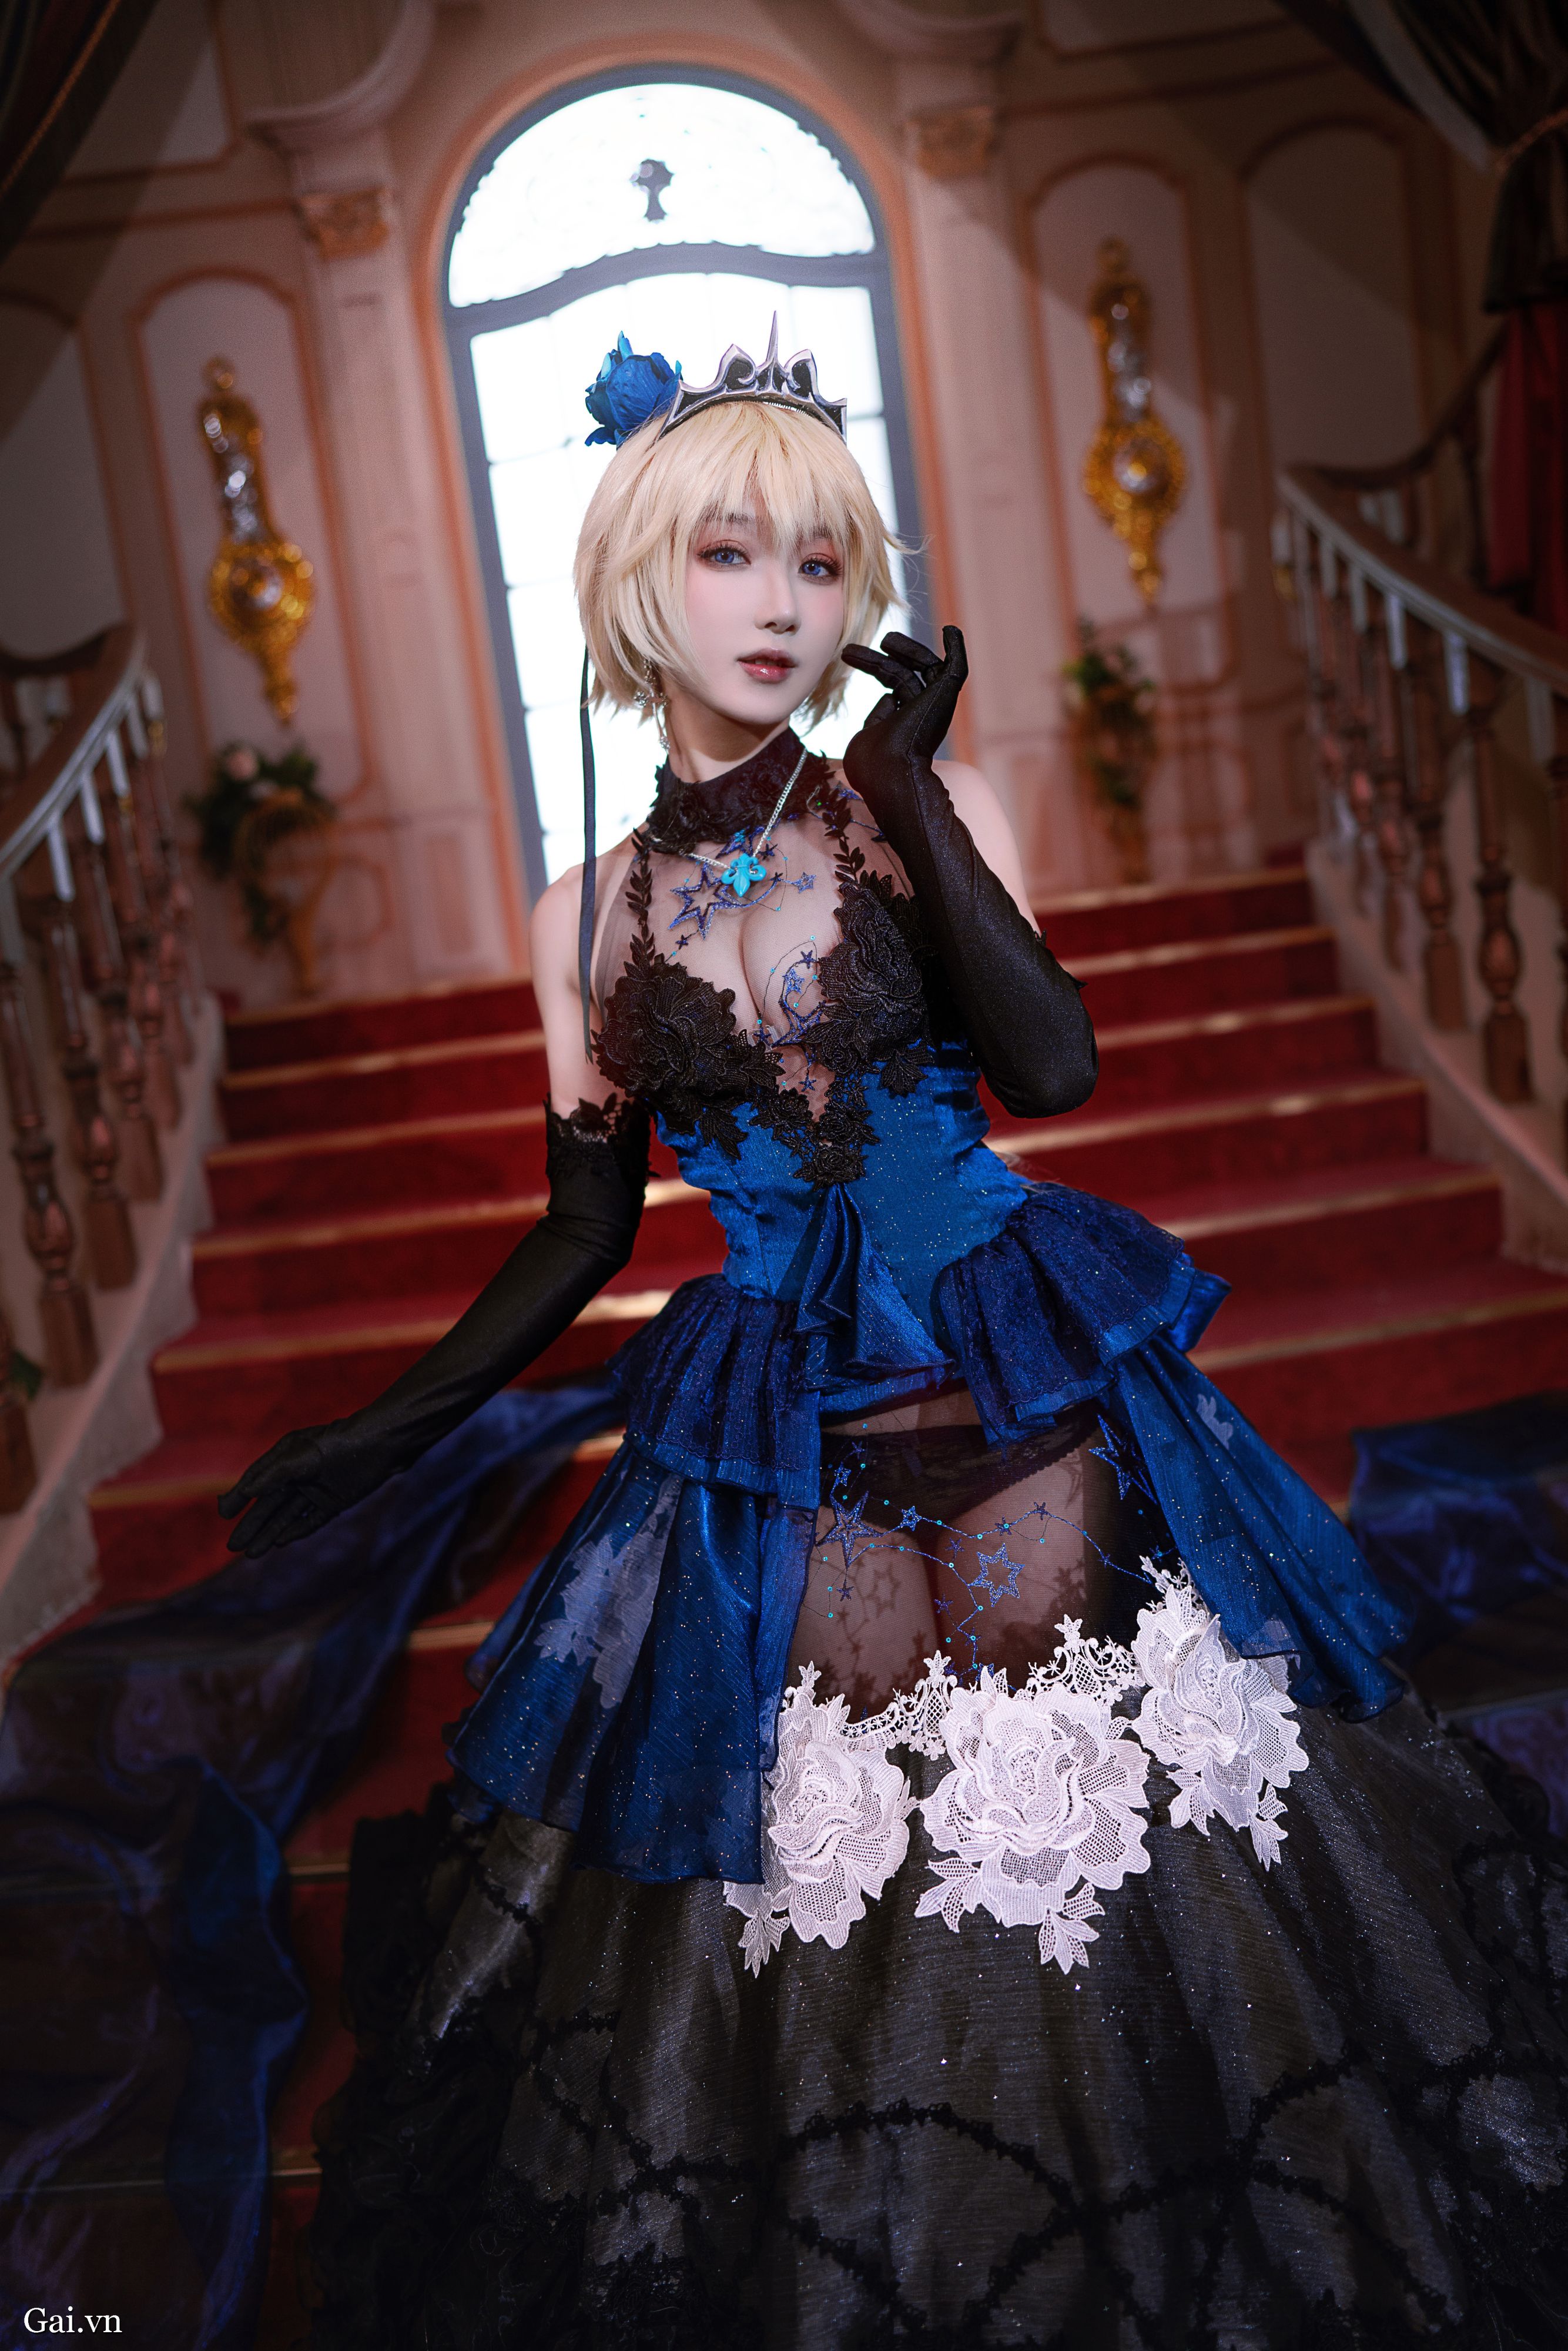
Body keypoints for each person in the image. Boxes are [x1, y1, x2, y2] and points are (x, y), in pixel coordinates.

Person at [220, 330, 1568, 2349]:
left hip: (1014, 1359)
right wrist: (387, 1424)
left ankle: (1155, 2257)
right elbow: (586, 1222)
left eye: (821, 561)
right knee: (861, 1855)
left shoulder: (925, 805)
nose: (783, 602)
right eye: (731, 556)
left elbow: (1054, 1069)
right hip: (790, 1411)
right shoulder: (583, 914)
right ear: (635, 581)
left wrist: (909, 793)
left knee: (1078, 1817)